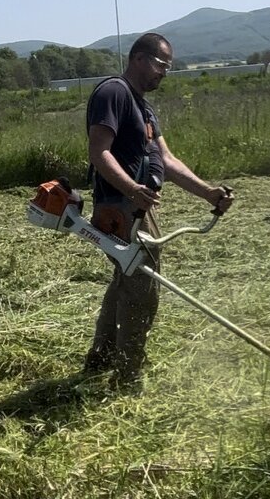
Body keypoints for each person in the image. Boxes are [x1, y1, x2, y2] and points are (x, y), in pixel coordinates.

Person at [83, 32, 233, 389]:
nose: (164, 72)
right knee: (142, 288)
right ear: (139, 58)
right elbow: (99, 151)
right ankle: (127, 375)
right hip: (121, 205)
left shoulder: (144, 107)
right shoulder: (113, 92)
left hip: (135, 204)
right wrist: (132, 189)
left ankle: (101, 359)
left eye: (168, 66)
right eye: (161, 64)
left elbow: (165, 161)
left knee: (125, 281)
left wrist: (209, 194)